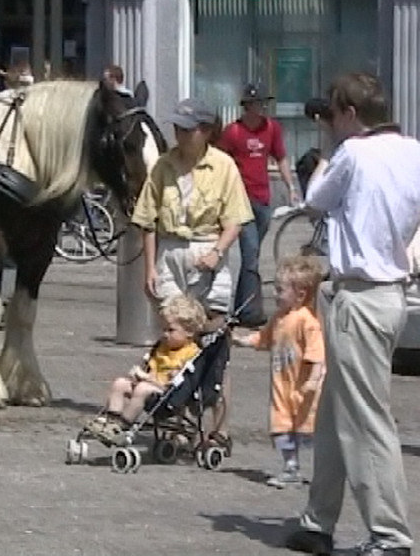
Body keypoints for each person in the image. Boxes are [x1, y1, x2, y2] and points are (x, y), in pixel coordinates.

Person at [284, 73, 420, 556]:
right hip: (389, 293)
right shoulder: (413, 150)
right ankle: (318, 518)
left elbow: (313, 201)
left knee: (365, 418)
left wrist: (325, 155)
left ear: (349, 114)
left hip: (357, 295)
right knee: (335, 413)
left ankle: (390, 534)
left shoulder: (352, 154)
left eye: (334, 116)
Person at [131, 97, 253, 456]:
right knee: (175, 342)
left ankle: (218, 427)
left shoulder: (224, 166)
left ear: (205, 131)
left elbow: (235, 220)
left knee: (214, 343)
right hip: (170, 252)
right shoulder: (163, 167)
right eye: (177, 128)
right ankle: (177, 423)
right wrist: (150, 266)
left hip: (207, 251)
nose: (179, 134)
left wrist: (218, 251)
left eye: (187, 129)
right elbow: (148, 220)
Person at [233, 255, 325, 489]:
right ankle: (290, 467)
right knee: (281, 425)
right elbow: (265, 337)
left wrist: (314, 379)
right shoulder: (279, 318)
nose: (275, 295)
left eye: (280, 290)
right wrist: (244, 341)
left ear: (301, 294)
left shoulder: (308, 321)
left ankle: (327, 470)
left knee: (308, 428)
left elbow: (317, 354)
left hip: (303, 387)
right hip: (281, 385)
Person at [217, 83, 297, 328]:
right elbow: (221, 162)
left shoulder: (272, 128)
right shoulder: (233, 132)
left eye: (264, 103)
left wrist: (290, 186)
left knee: (253, 255)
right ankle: (251, 311)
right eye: (258, 103)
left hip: (264, 199)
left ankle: (241, 306)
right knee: (250, 254)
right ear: (247, 106)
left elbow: (281, 157)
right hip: (241, 199)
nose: (262, 108)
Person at [85, 295, 207, 443]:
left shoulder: (190, 353)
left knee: (142, 388)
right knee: (120, 383)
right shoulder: (162, 347)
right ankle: (111, 420)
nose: (165, 334)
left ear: (189, 332)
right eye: (163, 329)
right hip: (150, 385)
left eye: (171, 330)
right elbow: (150, 366)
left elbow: (174, 382)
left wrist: (148, 378)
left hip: (168, 393)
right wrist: (139, 374)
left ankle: (124, 425)